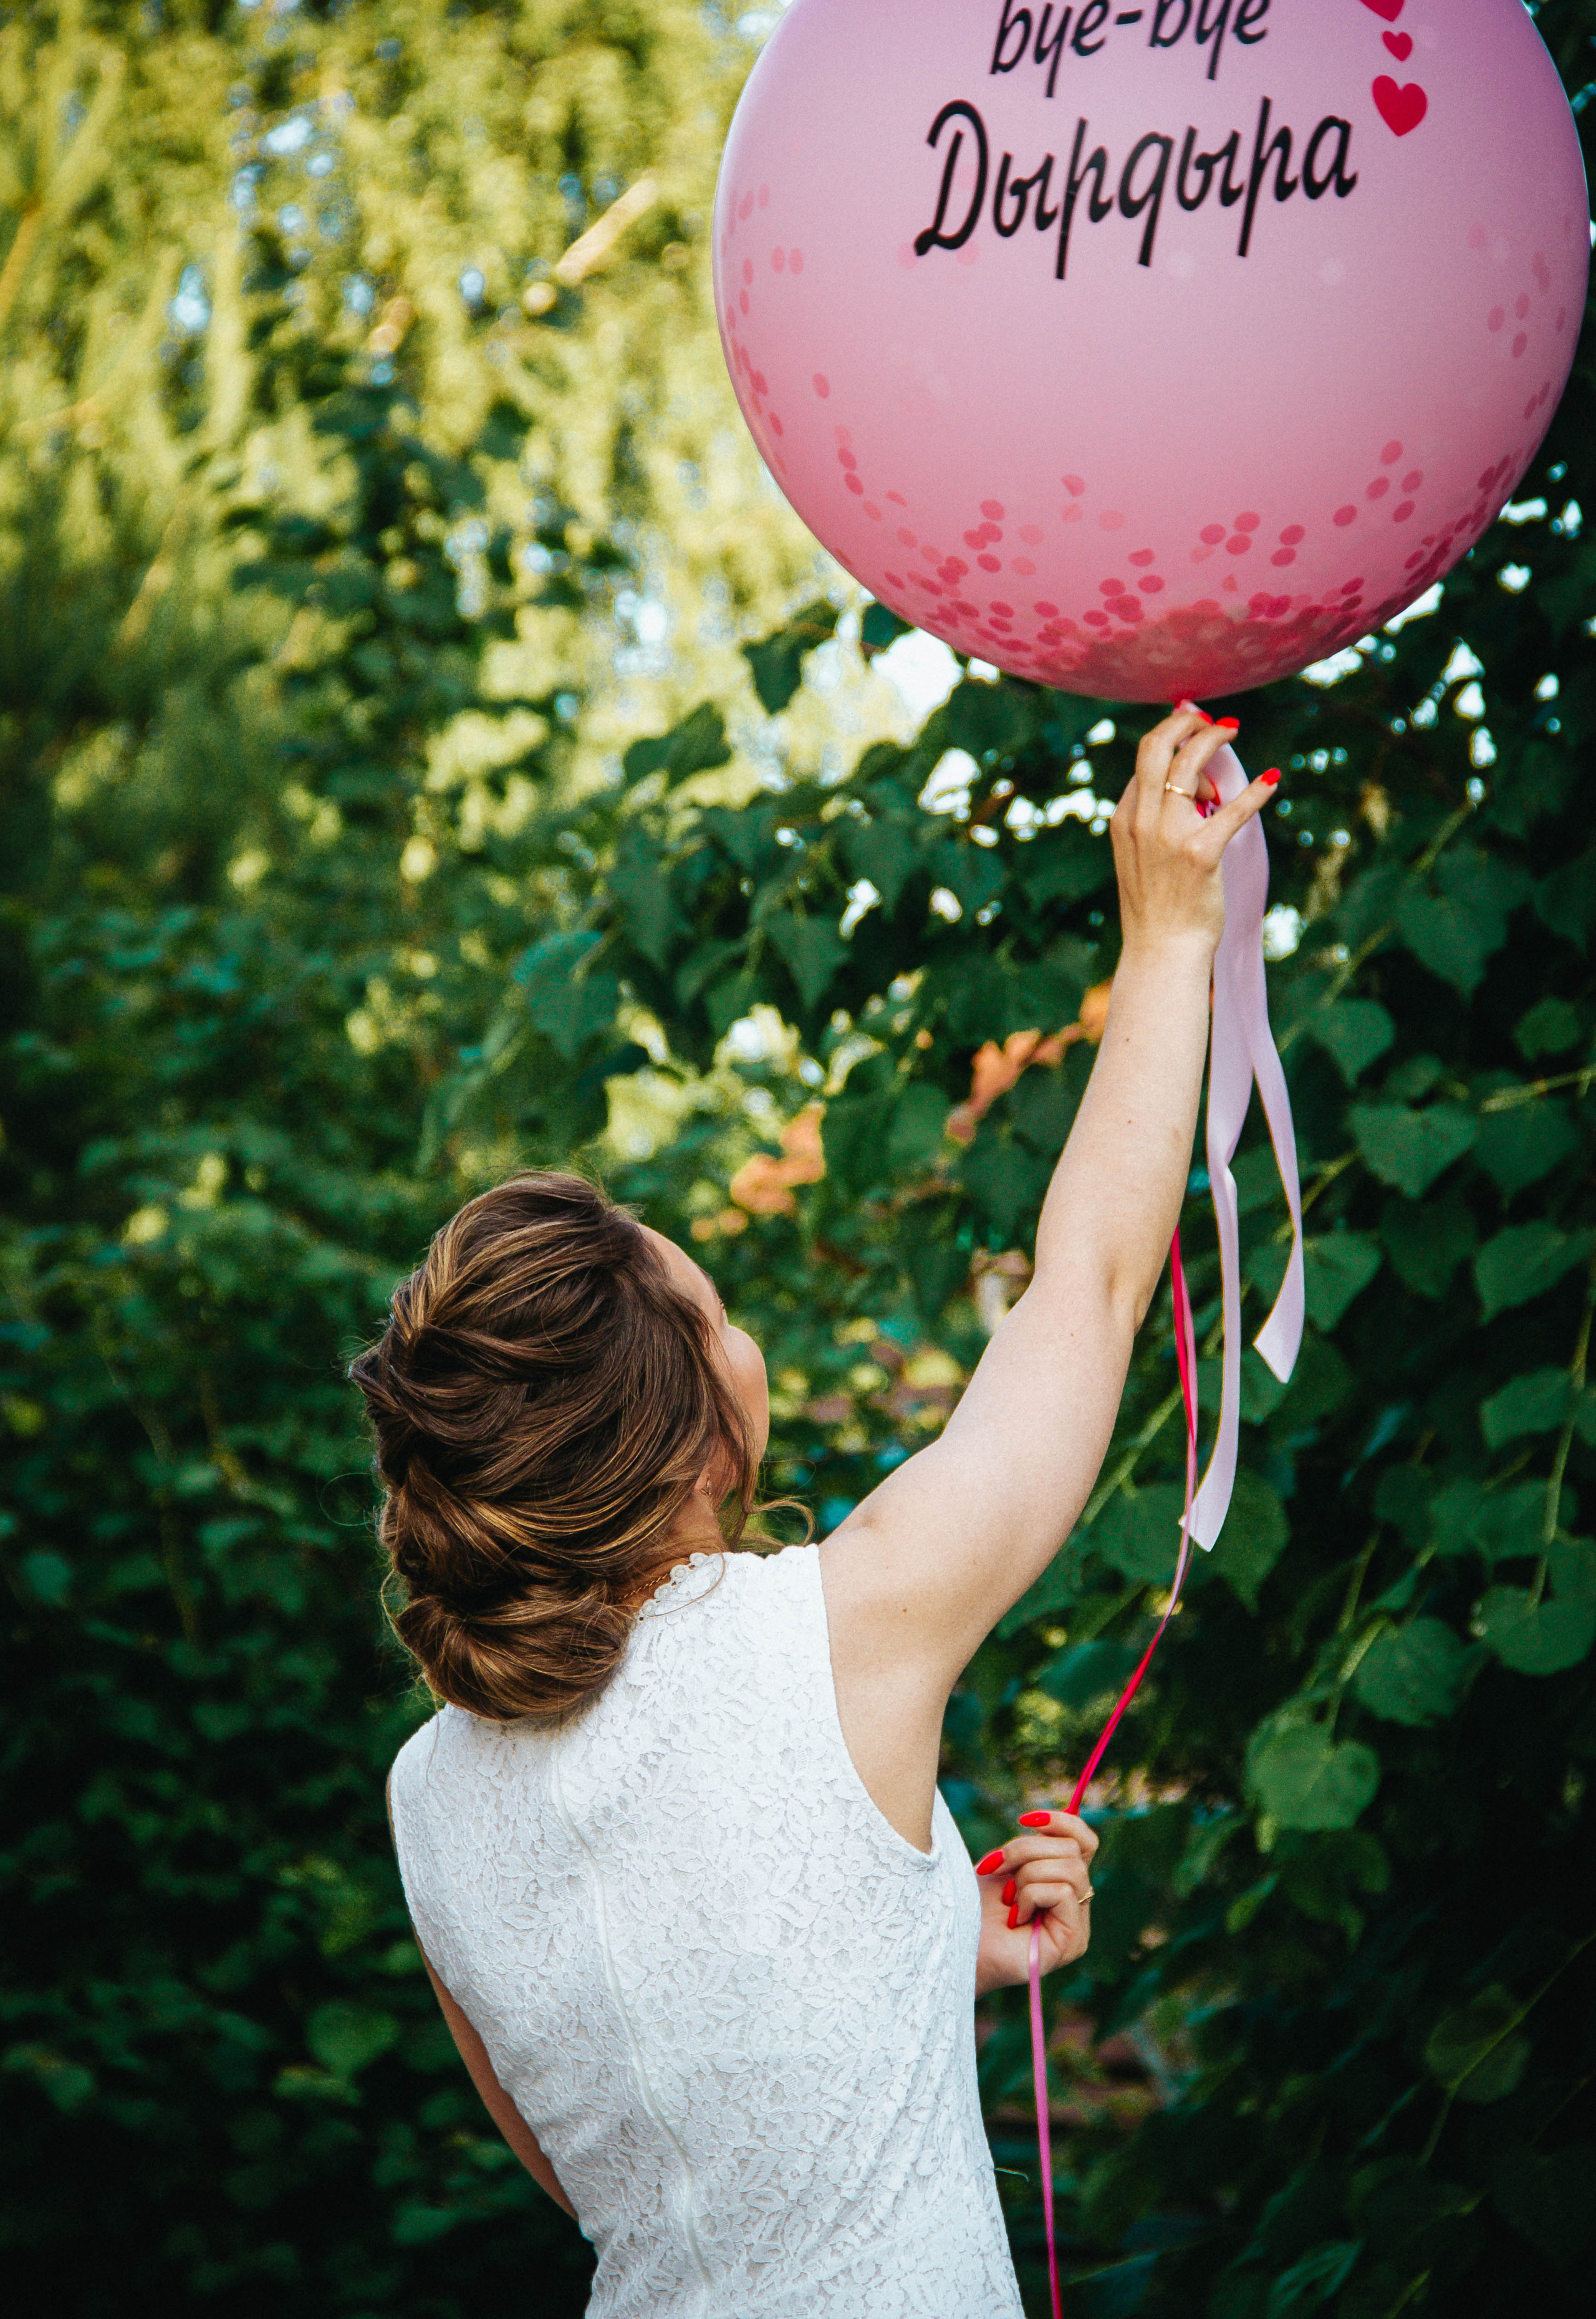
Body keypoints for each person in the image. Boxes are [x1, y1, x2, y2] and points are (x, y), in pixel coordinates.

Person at [350, 705, 1278, 2317]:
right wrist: (1173, 928)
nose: (747, 1335)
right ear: (696, 1434)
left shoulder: (428, 1797)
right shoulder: (835, 1630)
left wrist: (921, 1950)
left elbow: (618, 2165)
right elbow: (1096, 1282)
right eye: (721, 1315)